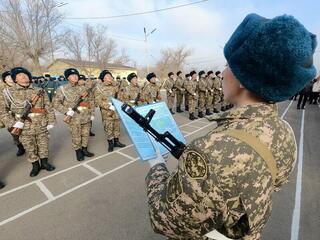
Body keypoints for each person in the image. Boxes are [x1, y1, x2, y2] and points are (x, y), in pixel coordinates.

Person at [144, 13, 316, 239]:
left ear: (244, 78)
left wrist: (157, 168)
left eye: (228, 64)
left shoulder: (213, 151)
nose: (223, 73)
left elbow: (164, 220)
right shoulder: (283, 131)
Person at [1, 67, 56, 177]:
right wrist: (13, 124)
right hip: (23, 126)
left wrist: (51, 121)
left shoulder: (39, 91)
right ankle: (35, 166)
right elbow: (2, 111)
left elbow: (48, 107)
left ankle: (44, 163)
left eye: (25, 74)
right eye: (20, 75)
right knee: (29, 147)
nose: (24, 76)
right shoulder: (8, 93)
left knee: (43, 145)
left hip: (41, 124)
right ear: (15, 79)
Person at [53, 68, 95, 161]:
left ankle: (84, 149)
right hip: (74, 117)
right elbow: (55, 103)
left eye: (76, 75)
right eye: (72, 75)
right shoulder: (62, 89)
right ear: (68, 77)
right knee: (76, 135)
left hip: (86, 115)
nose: (75, 77)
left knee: (85, 134)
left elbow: (90, 101)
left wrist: (92, 112)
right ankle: (78, 151)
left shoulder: (83, 88)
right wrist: (66, 111)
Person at [93, 70, 126, 152]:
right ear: (103, 78)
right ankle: (110, 143)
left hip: (116, 110)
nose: (110, 77)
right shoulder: (99, 88)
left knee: (117, 126)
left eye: (110, 76)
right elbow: (98, 101)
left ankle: (117, 141)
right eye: (107, 76)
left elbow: (120, 97)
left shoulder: (115, 87)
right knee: (109, 127)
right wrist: (108, 106)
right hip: (107, 112)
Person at [0, 71, 26, 156]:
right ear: (4, 80)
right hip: (10, 115)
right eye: (7, 78)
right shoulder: (3, 91)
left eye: (11, 77)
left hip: (23, 113)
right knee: (14, 133)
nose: (10, 79)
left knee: (26, 131)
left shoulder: (21, 86)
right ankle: (20, 147)